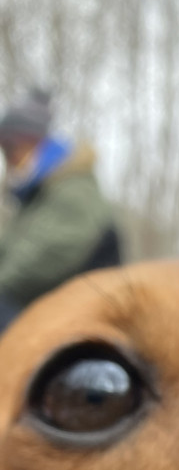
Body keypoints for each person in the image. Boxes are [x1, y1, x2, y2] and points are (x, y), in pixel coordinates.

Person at [0, 88, 122, 332]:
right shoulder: (38, 194)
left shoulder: (73, 188)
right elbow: (11, 248)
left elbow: (48, 254)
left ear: (32, 143)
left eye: (10, 150)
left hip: (85, 312)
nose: (8, 160)